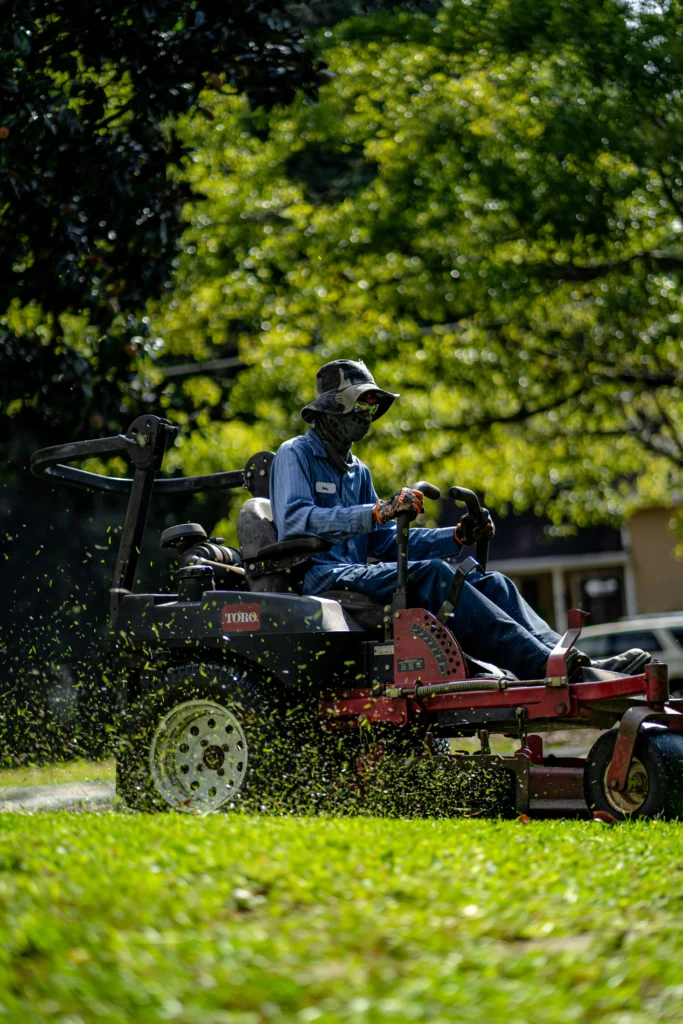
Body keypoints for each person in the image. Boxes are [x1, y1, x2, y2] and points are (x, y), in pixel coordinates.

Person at [270, 359, 650, 681]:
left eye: (372, 408)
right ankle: (552, 672)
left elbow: (385, 542)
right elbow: (295, 520)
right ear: (331, 411)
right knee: (437, 574)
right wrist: (376, 511)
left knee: (492, 582)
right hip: (322, 578)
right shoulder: (295, 454)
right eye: (360, 407)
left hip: (358, 574)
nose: (367, 417)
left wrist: (454, 537)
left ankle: (572, 661)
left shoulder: (359, 471)